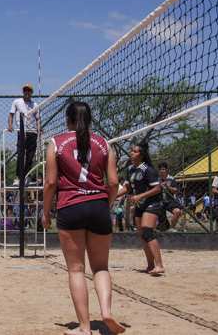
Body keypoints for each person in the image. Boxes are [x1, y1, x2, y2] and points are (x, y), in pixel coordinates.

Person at [43, 100, 124, 335]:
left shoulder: (55, 143)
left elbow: (50, 183)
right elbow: (114, 182)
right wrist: (105, 205)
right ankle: (106, 312)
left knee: (76, 269)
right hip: (98, 206)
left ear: (67, 119)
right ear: (90, 119)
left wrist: (46, 212)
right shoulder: (104, 143)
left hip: (70, 207)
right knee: (101, 267)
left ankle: (85, 327)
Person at [118, 143, 165, 276]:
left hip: (152, 203)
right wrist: (110, 196)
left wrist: (139, 196)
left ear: (142, 154)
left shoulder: (148, 169)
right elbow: (126, 188)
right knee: (143, 235)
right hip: (140, 205)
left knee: (147, 231)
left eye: (135, 151)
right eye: (131, 150)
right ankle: (150, 265)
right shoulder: (130, 169)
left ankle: (159, 265)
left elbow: (157, 188)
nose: (131, 152)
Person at [7, 83, 40, 183]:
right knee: (21, 155)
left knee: (30, 156)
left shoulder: (35, 105)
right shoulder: (17, 101)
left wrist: (39, 129)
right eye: (25, 90)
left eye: (29, 90)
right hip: (21, 132)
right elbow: (11, 114)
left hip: (32, 132)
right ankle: (18, 177)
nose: (27, 92)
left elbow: (38, 119)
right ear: (23, 91)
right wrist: (10, 125)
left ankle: (26, 176)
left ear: (31, 93)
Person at [158, 162, 184, 232]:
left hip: (169, 201)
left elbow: (175, 190)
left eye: (163, 169)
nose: (161, 171)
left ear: (167, 170)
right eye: (160, 169)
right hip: (159, 201)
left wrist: (168, 187)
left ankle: (171, 228)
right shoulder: (157, 179)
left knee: (178, 211)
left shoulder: (171, 179)